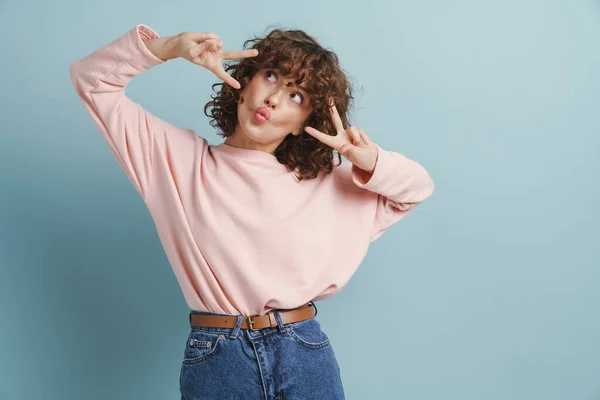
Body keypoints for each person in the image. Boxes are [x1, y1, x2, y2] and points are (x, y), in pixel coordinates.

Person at [69, 23, 435, 400]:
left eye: (296, 96)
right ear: (245, 79)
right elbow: (91, 80)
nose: (274, 98)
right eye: (272, 76)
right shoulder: (175, 160)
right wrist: (170, 48)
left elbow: (417, 188)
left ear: (303, 125)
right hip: (218, 357)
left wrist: (368, 159)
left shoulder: (328, 182)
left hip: (304, 351)